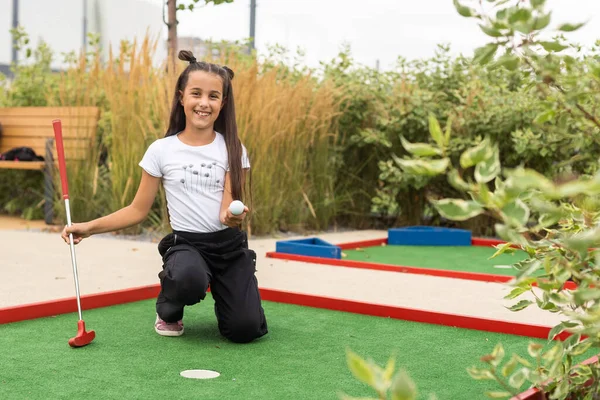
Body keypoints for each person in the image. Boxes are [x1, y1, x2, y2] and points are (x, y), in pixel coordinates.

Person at [60, 50, 268, 344]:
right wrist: (88, 227)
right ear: (181, 97)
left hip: (229, 248)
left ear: (223, 103)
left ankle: (232, 300)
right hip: (187, 245)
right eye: (196, 93)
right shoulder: (161, 150)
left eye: (213, 96)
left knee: (245, 329)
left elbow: (228, 208)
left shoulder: (233, 148)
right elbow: (136, 210)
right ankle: (169, 310)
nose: (204, 103)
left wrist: (232, 217)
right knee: (187, 279)